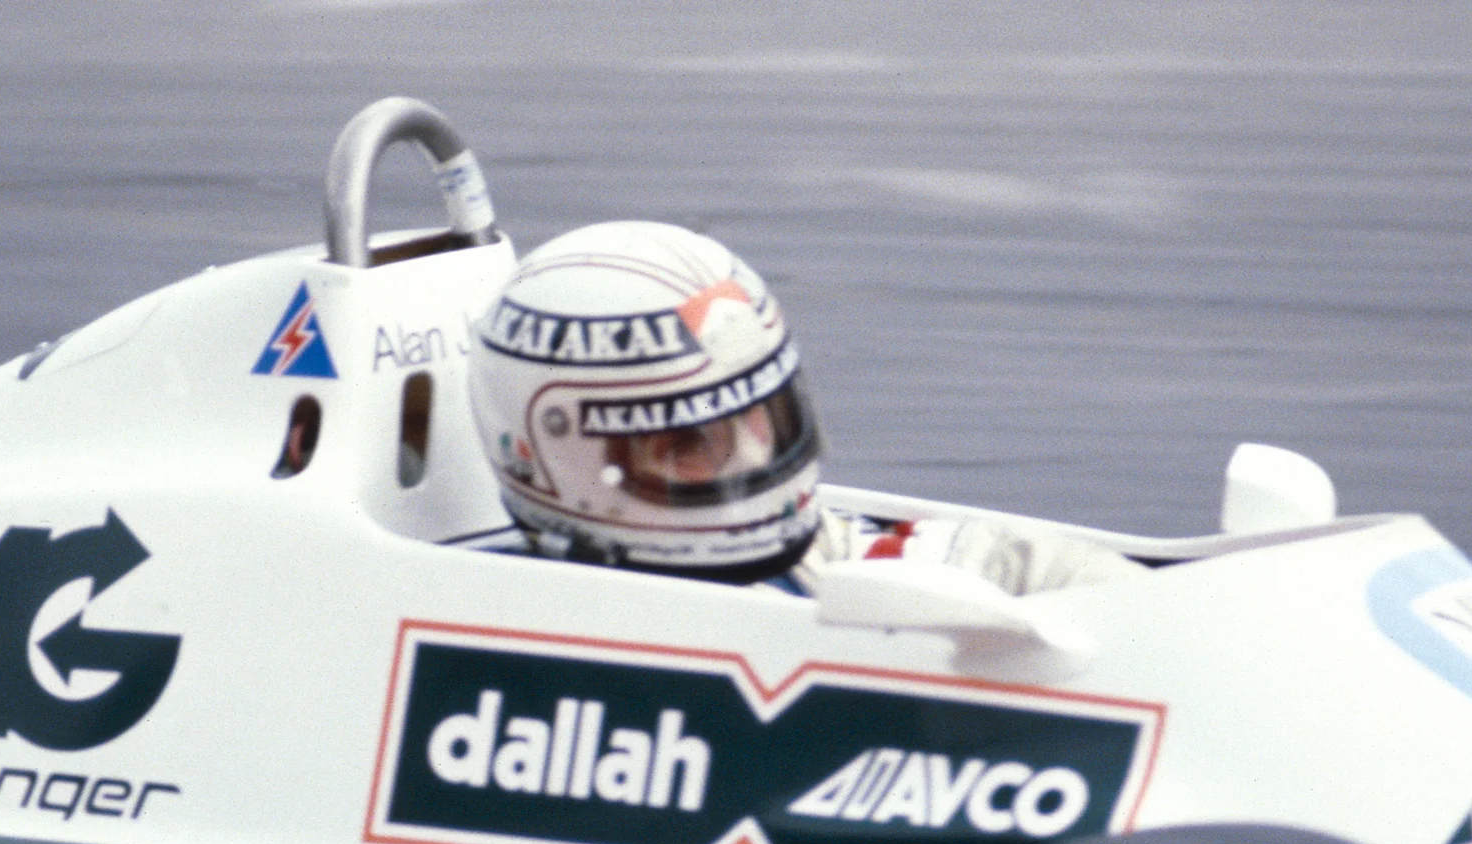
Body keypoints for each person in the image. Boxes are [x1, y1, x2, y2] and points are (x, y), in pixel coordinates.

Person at [464, 222, 1138, 595]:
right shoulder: (483, 621)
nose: (755, 456)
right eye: (693, 442)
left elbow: (996, 563)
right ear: (563, 466)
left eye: (764, 416)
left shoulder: (810, 564)